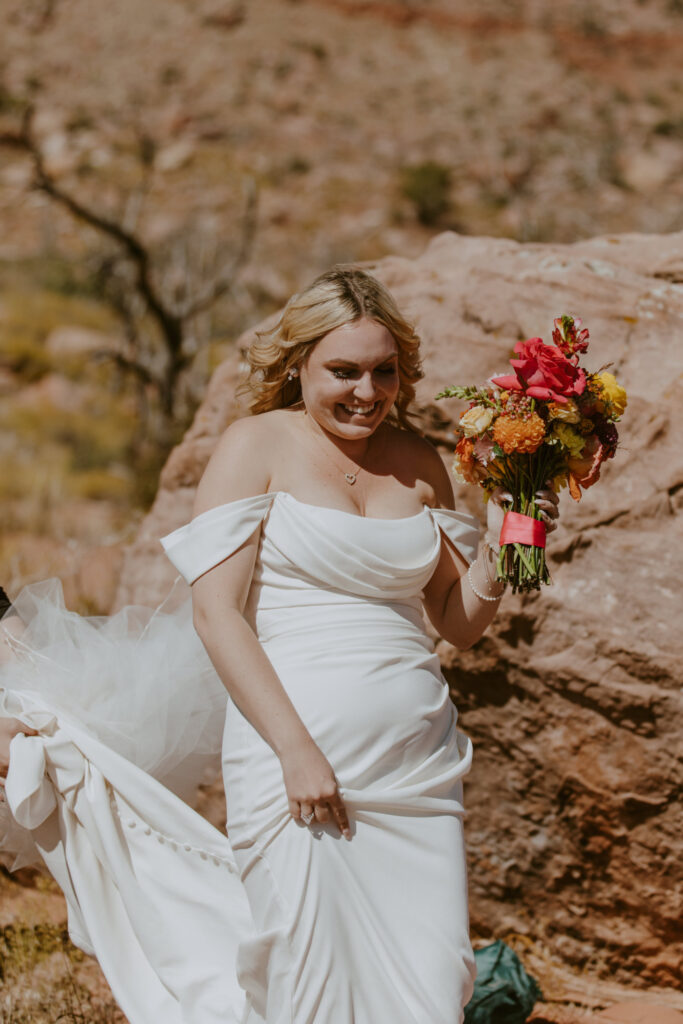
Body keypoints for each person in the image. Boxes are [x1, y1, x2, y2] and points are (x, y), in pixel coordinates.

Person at [0, 266, 559, 1024]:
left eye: (383, 372)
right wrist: (295, 750)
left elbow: (457, 623)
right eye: (343, 371)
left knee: (432, 980)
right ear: (298, 365)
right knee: (312, 983)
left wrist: (508, 535)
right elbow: (218, 616)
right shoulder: (254, 445)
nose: (366, 391)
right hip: (292, 753)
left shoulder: (422, 463)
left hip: (418, 767)